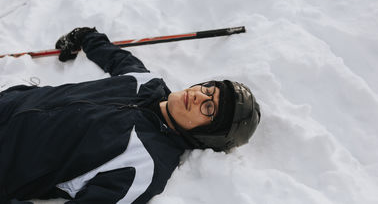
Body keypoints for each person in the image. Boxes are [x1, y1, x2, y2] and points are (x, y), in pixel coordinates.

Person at [0, 28, 261, 204]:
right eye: (208, 89)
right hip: (7, 100)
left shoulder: (144, 164)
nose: (198, 95)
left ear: (207, 135)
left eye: (208, 108)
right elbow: (115, 58)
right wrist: (86, 36)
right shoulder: (146, 82)